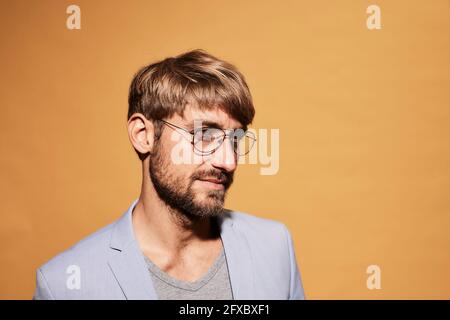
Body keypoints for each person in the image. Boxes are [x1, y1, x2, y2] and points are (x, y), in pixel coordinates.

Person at [33, 49, 305, 300]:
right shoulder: (64, 285)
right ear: (143, 135)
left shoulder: (274, 247)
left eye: (235, 139)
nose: (229, 161)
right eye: (205, 134)